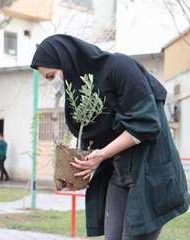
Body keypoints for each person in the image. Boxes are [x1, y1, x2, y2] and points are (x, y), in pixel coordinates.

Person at [31, 34, 189, 240]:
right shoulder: (83, 92)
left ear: (66, 61)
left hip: (149, 173)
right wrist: (85, 164)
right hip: (118, 173)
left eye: (51, 76)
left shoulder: (119, 67)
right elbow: (92, 134)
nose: (51, 82)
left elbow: (147, 124)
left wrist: (102, 155)